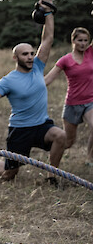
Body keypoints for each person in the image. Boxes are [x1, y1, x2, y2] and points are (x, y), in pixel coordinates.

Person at [0, 0, 66, 182]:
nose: (29, 57)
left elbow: (48, 39)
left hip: (41, 126)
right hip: (20, 130)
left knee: (60, 136)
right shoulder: (8, 80)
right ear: (15, 57)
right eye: (24, 54)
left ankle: (52, 175)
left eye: (31, 53)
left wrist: (49, 12)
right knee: (9, 174)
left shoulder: (37, 67)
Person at [44, 27, 93, 166]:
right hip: (72, 103)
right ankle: (53, 154)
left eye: (85, 40)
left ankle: (89, 158)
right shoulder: (65, 60)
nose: (83, 43)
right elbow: (48, 79)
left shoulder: (91, 53)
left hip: (90, 101)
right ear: (73, 41)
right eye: (80, 40)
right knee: (69, 141)